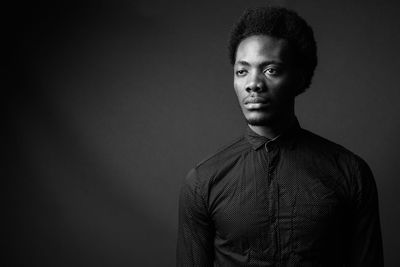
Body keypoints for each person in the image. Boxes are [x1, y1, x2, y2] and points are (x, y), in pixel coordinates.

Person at [176, 6, 383, 266]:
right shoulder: (202, 182)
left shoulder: (350, 174)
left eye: (270, 70)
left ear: (300, 78)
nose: (253, 83)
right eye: (242, 71)